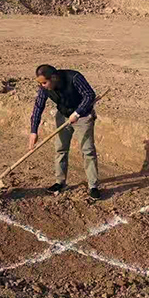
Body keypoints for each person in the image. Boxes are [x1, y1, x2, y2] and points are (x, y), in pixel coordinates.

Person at [28, 64, 100, 199]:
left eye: (45, 82)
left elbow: (90, 95)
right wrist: (33, 131)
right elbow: (38, 107)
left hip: (83, 117)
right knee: (60, 149)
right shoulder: (44, 88)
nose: (43, 86)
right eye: (41, 83)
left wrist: (78, 113)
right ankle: (60, 182)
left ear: (54, 78)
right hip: (63, 115)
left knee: (88, 151)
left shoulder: (74, 78)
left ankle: (93, 186)